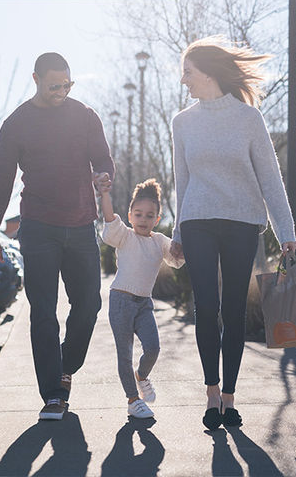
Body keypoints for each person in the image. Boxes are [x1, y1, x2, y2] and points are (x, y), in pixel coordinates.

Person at [170, 36, 296, 430]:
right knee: (206, 308)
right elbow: (182, 180)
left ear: (208, 71)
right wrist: (177, 231)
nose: (184, 80)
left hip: (243, 223)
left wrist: (286, 230)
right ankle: (212, 395)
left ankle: (230, 397)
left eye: (188, 72)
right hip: (197, 223)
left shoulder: (248, 119)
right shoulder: (182, 122)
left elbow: (270, 180)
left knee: (234, 310)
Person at [0, 52, 115, 421]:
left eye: (67, 84)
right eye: (54, 85)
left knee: (88, 306)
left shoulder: (86, 116)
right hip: (38, 227)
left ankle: (64, 364)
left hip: (81, 224)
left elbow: (103, 159)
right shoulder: (17, 123)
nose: (61, 91)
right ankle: (53, 394)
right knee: (43, 311)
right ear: (36, 79)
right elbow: (1, 181)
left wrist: (104, 176)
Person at [94, 173, 184, 419]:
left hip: (144, 303)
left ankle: (141, 376)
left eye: (149, 215)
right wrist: (104, 194)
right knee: (125, 354)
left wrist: (183, 242)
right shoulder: (124, 235)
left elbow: (177, 258)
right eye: (138, 214)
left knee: (153, 347)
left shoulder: (160, 242)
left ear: (157, 219)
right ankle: (133, 400)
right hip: (121, 301)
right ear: (131, 213)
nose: (143, 219)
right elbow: (110, 218)